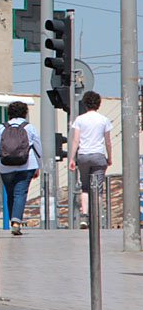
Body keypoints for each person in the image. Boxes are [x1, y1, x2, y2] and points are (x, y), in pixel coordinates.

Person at [0, 101, 41, 235]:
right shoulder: (30, 128)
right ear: (25, 113)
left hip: (6, 167)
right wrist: (39, 166)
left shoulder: (2, 128)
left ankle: (13, 219)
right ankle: (16, 222)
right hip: (27, 165)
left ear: (9, 113)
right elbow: (38, 149)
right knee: (20, 193)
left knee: (10, 194)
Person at [68, 90, 112, 229]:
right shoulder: (104, 120)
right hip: (99, 156)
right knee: (98, 189)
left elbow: (75, 140)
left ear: (85, 104)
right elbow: (108, 142)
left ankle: (84, 216)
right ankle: (96, 216)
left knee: (85, 187)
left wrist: (72, 158)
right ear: (98, 104)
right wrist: (109, 157)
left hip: (83, 156)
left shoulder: (80, 119)